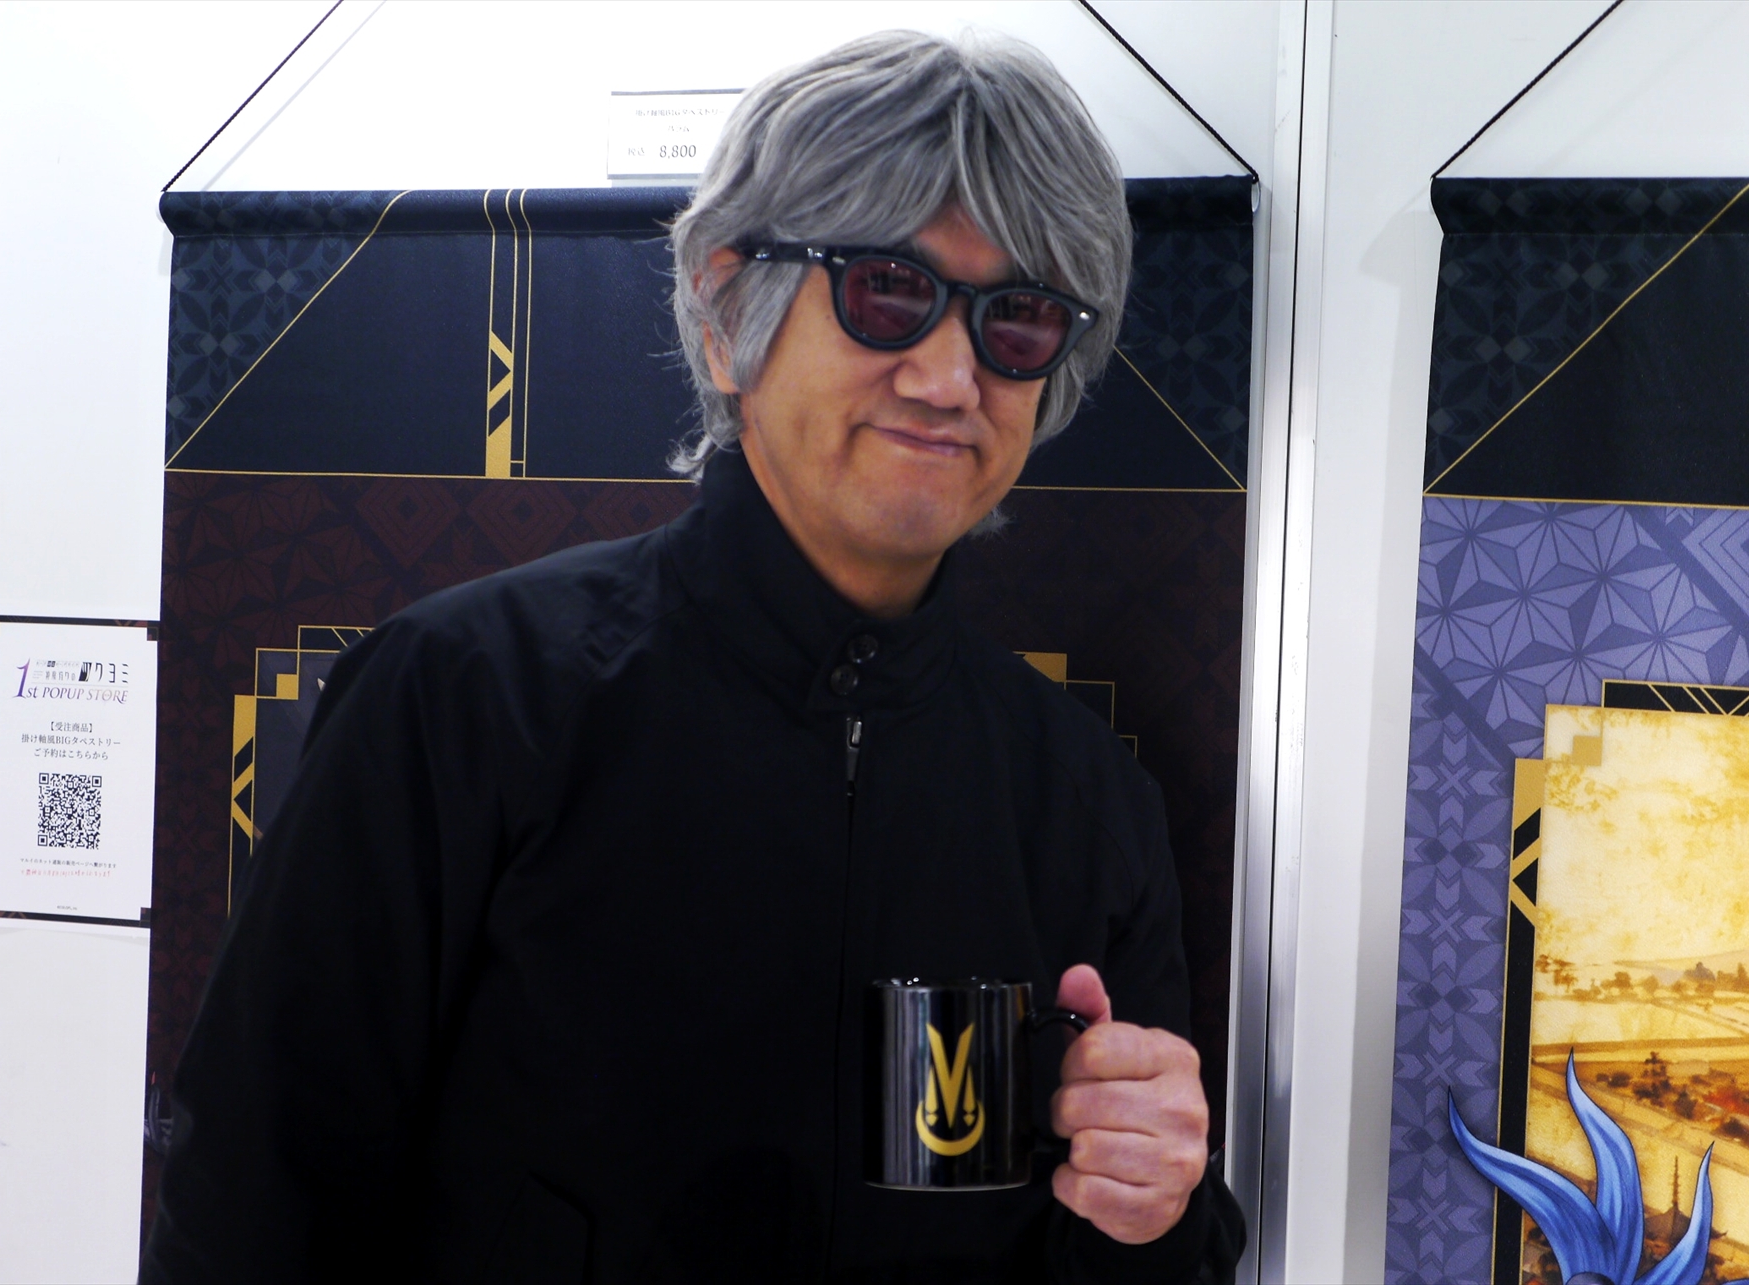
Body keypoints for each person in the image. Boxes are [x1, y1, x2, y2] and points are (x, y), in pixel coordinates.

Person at [141, 29, 1246, 1285]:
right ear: (729, 311)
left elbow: (1138, 1259)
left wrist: (1157, 1212)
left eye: (1021, 319)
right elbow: (248, 1207)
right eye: (889, 291)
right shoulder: (463, 698)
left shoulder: (1083, 798)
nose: (950, 376)